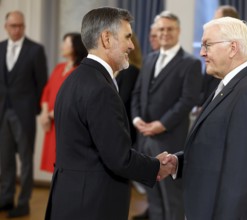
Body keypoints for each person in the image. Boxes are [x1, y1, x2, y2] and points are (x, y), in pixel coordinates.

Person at [44, 7, 173, 220]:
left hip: (70, 198)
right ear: (106, 38)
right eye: (127, 36)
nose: (132, 45)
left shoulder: (74, 79)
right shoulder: (100, 88)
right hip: (92, 204)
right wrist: (156, 166)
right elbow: (119, 158)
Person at [162, 17, 247, 220]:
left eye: (207, 44)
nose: (202, 52)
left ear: (232, 48)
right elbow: (218, 147)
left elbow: (241, 174)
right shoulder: (232, 84)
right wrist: (179, 162)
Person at [131, 11, 203, 220]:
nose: (165, 33)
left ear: (178, 31)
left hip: (170, 140)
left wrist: (161, 124)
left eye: (169, 29)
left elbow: (187, 101)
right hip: (144, 139)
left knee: (172, 198)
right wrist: (137, 121)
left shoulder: (190, 63)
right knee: (152, 196)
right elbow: (136, 93)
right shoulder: (150, 59)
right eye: (161, 29)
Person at [0, 11, 48, 218]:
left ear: (24, 26)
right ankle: (6, 197)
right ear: (6, 26)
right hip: (2, 113)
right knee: (5, 158)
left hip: (25, 113)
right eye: (13, 26)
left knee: (26, 161)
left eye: (20, 25)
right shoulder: (0, 48)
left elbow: (42, 84)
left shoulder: (35, 50)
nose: (17, 29)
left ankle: (24, 202)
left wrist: (34, 110)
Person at [40, 33, 87, 173]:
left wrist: (54, 113)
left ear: (75, 47)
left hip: (65, 123)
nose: (62, 46)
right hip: (51, 123)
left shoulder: (80, 70)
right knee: (52, 165)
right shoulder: (59, 67)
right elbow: (47, 91)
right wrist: (44, 114)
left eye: (66, 43)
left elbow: (78, 97)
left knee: (64, 165)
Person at [199, 5, 239, 105]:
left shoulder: (239, 53)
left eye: (216, 20)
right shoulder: (211, 49)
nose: (202, 54)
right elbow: (205, 84)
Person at [115, 33, 142, 145]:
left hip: (124, 128)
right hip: (118, 124)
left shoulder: (130, 70)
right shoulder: (120, 69)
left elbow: (122, 99)